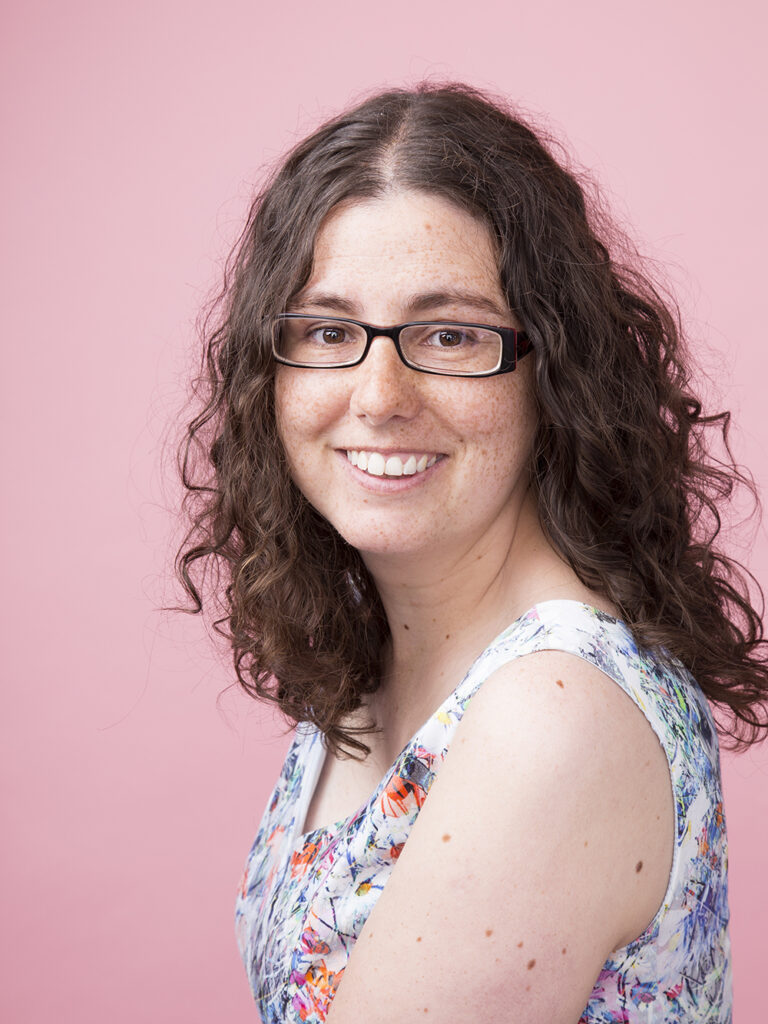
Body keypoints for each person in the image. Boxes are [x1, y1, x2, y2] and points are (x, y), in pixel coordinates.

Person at [175, 83, 768, 1023]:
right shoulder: (388, 652)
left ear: (555, 366)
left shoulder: (552, 718)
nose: (377, 395)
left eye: (448, 334)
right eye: (329, 331)